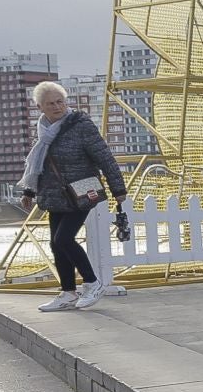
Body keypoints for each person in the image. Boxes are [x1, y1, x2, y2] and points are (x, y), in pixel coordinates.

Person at [21, 80, 126, 311]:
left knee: (63, 239)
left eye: (60, 102)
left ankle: (92, 283)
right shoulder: (44, 130)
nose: (57, 107)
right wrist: (29, 189)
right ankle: (67, 292)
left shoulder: (81, 125)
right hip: (54, 194)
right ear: (40, 107)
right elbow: (40, 163)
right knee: (56, 245)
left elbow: (104, 157)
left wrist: (118, 189)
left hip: (81, 191)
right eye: (50, 103)